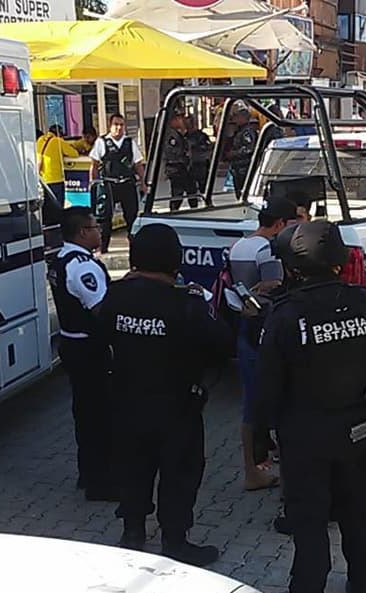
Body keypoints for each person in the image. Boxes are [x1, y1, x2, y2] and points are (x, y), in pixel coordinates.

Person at [256, 219, 366, 593]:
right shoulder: (365, 303)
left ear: (293, 266)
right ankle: (365, 588)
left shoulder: (285, 315)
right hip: (358, 429)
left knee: (309, 522)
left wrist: (261, 438)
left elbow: (267, 386)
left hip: (306, 436)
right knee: (358, 512)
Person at [96, 224, 232, 566]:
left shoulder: (115, 295)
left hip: (126, 403)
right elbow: (221, 344)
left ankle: (133, 531)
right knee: (179, 473)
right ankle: (174, 540)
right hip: (176, 407)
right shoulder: (188, 302)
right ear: (175, 258)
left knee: (133, 468)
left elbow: (100, 334)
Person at [229, 196, 297, 491]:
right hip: (269, 331)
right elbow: (273, 286)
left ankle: (252, 468)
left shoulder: (240, 245)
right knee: (283, 402)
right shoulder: (268, 249)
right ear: (281, 224)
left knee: (251, 404)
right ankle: (276, 466)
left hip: (246, 329)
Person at [50, 207, 116, 501]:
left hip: (71, 343)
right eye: (95, 227)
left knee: (85, 412)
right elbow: (102, 311)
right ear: (81, 233)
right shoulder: (83, 266)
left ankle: (88, 472)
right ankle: (100, 482)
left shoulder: (61, 258)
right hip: (89, 348)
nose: (100, 231)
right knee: (99, 415)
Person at [89, 113, 146, 253]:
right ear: (110, 126)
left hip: (127, 183)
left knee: (132, 216)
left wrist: (144, 182)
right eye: (116, 125)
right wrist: (93, 183)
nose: (119, 128)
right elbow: (94, 165)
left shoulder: (129, 142)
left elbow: (138, 164)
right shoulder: (102, 142)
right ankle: (103, 248)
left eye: (121, 125)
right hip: (109, 185)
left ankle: (135, 247)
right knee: (104, 218)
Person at [38, 124, 80, 211]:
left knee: (47, 207)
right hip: (56, 179)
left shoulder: (40, 140)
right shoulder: (58, 141)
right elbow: (74, 154)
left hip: (43, 179)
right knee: (58, 207)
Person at [164, 114, 195, 212]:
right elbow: (172, 153)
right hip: (176, 168)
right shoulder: (171, 135)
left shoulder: (182, 134)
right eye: (180, 119)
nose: (182, 121)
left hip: (184, 167)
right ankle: (174, 210)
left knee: (192, 191)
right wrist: (184, 155)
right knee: (178, 193)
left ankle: (194, 208)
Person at [227, 108, 259, 195]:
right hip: (237, 166)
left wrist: (235, 153)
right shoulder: (239, 130)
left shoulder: (247, 131)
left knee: (243, 191)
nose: (235, 120)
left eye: (238, 117)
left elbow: (249, 148)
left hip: (244, 166)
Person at [185, 116, 214, 207]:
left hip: (200, 164)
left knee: (204, 187)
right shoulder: (184, 136)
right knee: (191, 189)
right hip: (190, 165)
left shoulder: (201, 136)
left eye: (190, 124)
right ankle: (193, 206)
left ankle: (208, 203)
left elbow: (207, 148)